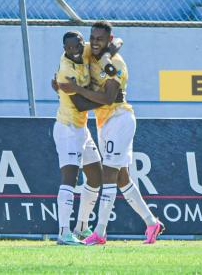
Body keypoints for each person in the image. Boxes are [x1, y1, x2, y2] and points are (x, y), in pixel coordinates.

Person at [58, 21, 164, 245]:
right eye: (92, 37)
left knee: (108, 174)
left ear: (107, 39)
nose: (94, 42)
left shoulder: (116, 64)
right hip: (103, 122)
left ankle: (100, 232)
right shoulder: (89, 52)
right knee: (123, 178)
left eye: (100, 39)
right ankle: (151, 223)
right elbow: (107, 44)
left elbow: (108, 98)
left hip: (119, 120)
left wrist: (77, 89)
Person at [53, 31, 103, 245]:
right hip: (67, 127)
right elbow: (80, 105)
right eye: (73, 47)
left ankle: (81, 226)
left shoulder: (85, 49)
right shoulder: (65, 70)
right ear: (66, 49)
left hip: (82, 128)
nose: (78, 50)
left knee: (96, 176)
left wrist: (109, 49)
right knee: (70, 178)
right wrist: (106, 100)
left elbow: (117, 42)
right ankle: (64, 232)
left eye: (80, 44)